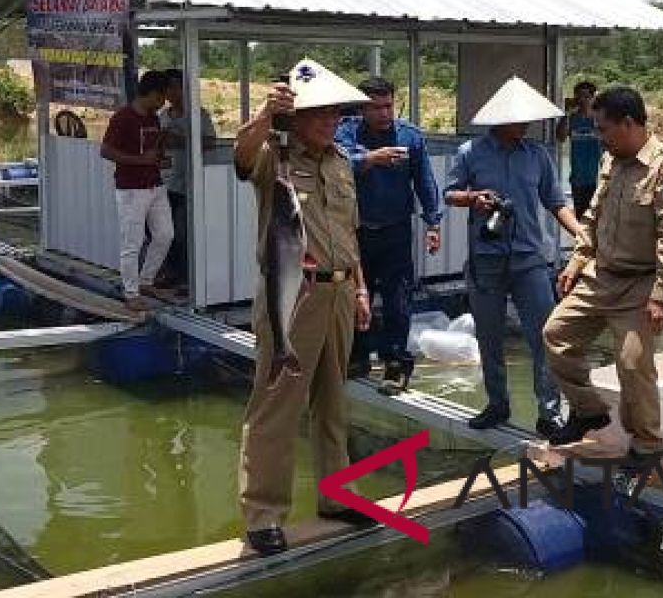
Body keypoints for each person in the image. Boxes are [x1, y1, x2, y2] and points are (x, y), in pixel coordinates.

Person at [233, 58, 374, 556]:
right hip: (294, 296)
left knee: (334, 403)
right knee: (277, 406)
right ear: (296, 117)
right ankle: (264, 513)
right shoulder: (275, 156)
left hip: (338, 293)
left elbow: (348, 233)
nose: (330, 121)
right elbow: (242, 157)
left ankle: (337, 496)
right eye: (319, 114)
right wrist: (263, 117)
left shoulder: (339, 161)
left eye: (336, 115)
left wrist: (359, 289)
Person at [544, 86, 663, 456]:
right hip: (601, 275)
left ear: (628, 124)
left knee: (631, 362)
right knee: (555, 335)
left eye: (603, 128)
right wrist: (578, 259)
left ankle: (646, 443)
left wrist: (661, 296)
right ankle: (588, 412)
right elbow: (594, 216)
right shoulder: (610, 160)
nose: (598, 136)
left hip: (640, 284)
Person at [444, 77, 582, 436]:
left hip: (529, 261)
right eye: (519, 119)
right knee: (490, 338)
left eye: (528, 119)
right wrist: (474, 198)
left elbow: (555, 202)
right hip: (486, 260)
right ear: (500, 119)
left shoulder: (538, 155)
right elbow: (449, 195)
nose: (526, 125)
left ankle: (549, 412)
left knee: (546, 337)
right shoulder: (471, 152)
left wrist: (582, 233)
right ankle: (497, 404)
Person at [335, 76, 442, 393]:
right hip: (357, 230)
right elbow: (337, 163)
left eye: (388, 106)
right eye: (376, 108)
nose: (384, 114)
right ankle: (357, 356)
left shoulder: (410, 136)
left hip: (396, 230)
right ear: (362, 109)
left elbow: (425, 182)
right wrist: (370, 159)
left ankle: (396, 364)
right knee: (356, 295)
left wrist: (433, 223)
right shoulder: (346, 132)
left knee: (398, 299)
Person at [100, 70, 174, 311]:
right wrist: (141, 160)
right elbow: (107, 151)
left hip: (155, 184)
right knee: (132, 242)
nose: (164, 103)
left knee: (165, 235)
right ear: (153, 94)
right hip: (132, 189)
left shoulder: (153, 118)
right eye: (163, 97)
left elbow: (151, 151)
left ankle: (146, 280)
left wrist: (158, 159)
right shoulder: (123, 118)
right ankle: (131, 293)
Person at [158, 68, 218, 290]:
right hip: (164, 182)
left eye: (177, 87)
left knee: (183, 232)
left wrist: (182, 140)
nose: (173, 93)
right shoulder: (162, 116)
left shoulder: (198, 114)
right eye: (169, 88)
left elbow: (211, 143)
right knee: (165, 232)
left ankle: (187, 278)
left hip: (188, 184)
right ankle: (170, 273)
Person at [556, 80, 601, 219]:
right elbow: (560, 137)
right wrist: (567, 114)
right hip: (578, 179)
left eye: (586, 96)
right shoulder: (571, 119)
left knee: (598, 218)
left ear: (593, 98)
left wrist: (595, 117)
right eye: (579, 96)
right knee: (581, 218)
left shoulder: (600, 119)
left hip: (599, 179)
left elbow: (610, 141)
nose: (582, 100)